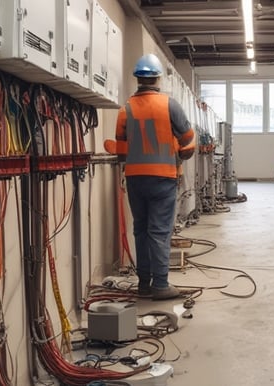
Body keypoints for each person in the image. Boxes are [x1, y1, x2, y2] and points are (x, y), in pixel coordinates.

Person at [114, 54, 195, 300]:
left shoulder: (125, 109)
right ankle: (161, 285)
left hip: (136, 179)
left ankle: (144, 283)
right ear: (158, 78)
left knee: (141, 230)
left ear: (138, 79)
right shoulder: (170, 105)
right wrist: (181, 153)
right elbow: (188, 140)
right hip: (163, 178)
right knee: (159, 232)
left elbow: (120, 151)